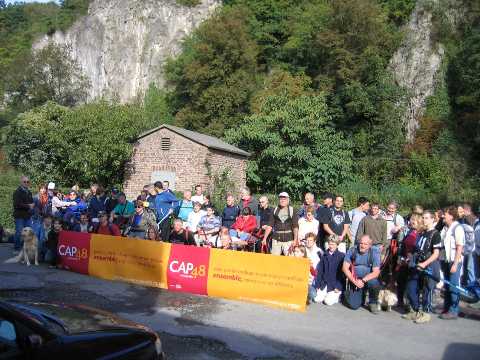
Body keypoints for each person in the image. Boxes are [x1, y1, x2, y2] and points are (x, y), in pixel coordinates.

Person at [402, 210, 441, 323]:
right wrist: (410, 255)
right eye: (423, 217)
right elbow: (417, 248)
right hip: (417, 264)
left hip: (429, 265)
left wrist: (424, 264)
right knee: (411, 287)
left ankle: (426, 313)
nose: (424, 220)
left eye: (427, 218)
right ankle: (415, 311)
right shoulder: (422, 233)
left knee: (427, 290)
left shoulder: (435, 234)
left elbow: (436, 253)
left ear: (433, 219)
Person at [342, 235, 382, 313]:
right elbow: (344, 268)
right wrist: (354, 281)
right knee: (354, 305)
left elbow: (376, 272)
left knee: (374, 283)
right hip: (355, 279)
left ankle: (373, 302)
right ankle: (361, 295)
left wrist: (363, 280)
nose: (362, 246)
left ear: (370, 245)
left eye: (365, 244)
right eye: (361, 243)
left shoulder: (375, 252)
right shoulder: (352, 250)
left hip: (368, 279)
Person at [439, 206, 465, 319]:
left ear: (452, 216)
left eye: (446, 214)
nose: (443, 215)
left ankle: (454, 310)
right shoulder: (445, 228)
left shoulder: (457, 228)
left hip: (455, 261)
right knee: (447, 285)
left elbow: (460, 247)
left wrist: (455, 264)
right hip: (446, 260)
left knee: (453, 286)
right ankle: (447, 308)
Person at [396, 213, 423, 309]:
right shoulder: (409, 231)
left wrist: (411, 258)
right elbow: (403, 246)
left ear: (419, 222)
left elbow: (418, 249)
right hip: (404, 260)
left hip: (412, 262)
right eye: (411, 220)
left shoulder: (420, 234)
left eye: (413, 220)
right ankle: (400, 301)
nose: (411, 222)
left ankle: (412, 305)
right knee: (400, 281)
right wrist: (400, 258)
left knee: (411, 284)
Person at [314, 235, 345, 305]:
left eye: (333, 244)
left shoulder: (342, 256)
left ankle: (337, 295)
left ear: (337, 245)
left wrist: (338, 286)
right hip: (324, 283)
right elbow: (320, 272)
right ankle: (326, 294)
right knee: (317, 299)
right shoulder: (324, 255)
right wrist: (317, 285)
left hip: (334, 285)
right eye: (329, 244)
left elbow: (342, 274)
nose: (331, 246)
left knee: (328, 302)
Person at [13, 176, 34, 252]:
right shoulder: (17, 192)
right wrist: (28, 206)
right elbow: (17, 204)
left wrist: (32, 205)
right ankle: (17, 248)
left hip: (27, 216)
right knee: (19, 232)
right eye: (24, 182)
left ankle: (26, 248)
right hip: (19, 216)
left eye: (27, 182)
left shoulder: (29, 192)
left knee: (29, 232)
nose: (26, 183)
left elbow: (31, 202)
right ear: (21, 182)